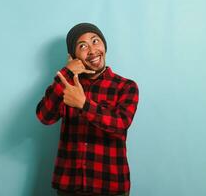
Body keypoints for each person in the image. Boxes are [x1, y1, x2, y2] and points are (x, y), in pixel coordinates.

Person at [36, 23, 139, 196]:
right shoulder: (65, 84)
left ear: (104, 46)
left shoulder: (126, 86)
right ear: (73, 56)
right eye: (82, 46)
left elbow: (120, 124)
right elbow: (44, 116)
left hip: (110, 186)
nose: (92, 50)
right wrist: (67, 73)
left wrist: (84, 104)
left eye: (95, 41)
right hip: (69, 185)